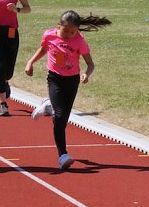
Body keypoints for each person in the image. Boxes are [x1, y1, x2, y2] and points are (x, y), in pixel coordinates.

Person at [25, 10, 111, 170]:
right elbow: (43, 49)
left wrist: (86, 74)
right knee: (60, 118)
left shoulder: (79, 41)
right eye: (66, 31)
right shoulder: (49, 35)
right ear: (59, 26)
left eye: (73, 32)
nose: (69, 35)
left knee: (63, 117)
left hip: (72, 81)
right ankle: (63, 155)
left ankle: (49, 106)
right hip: (54, 79)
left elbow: (90, 64)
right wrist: (30, 62)